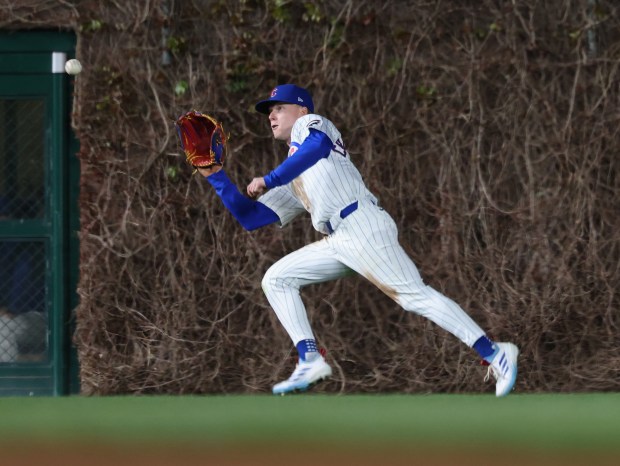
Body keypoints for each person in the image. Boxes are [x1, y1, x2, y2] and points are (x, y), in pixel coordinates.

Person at [198, 84, 519, 396]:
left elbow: (317, 148)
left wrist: (269, 179)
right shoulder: (295, 177)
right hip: (339, 239)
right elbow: (251, 217)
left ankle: (496, 353)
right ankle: (310, 358)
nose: (271, 115)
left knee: (413, 297)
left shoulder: (312, 125)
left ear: (302, 109)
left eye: (279, 107)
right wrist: (215, 175)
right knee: (277, 279)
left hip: (361, 224)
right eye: (269, 111)